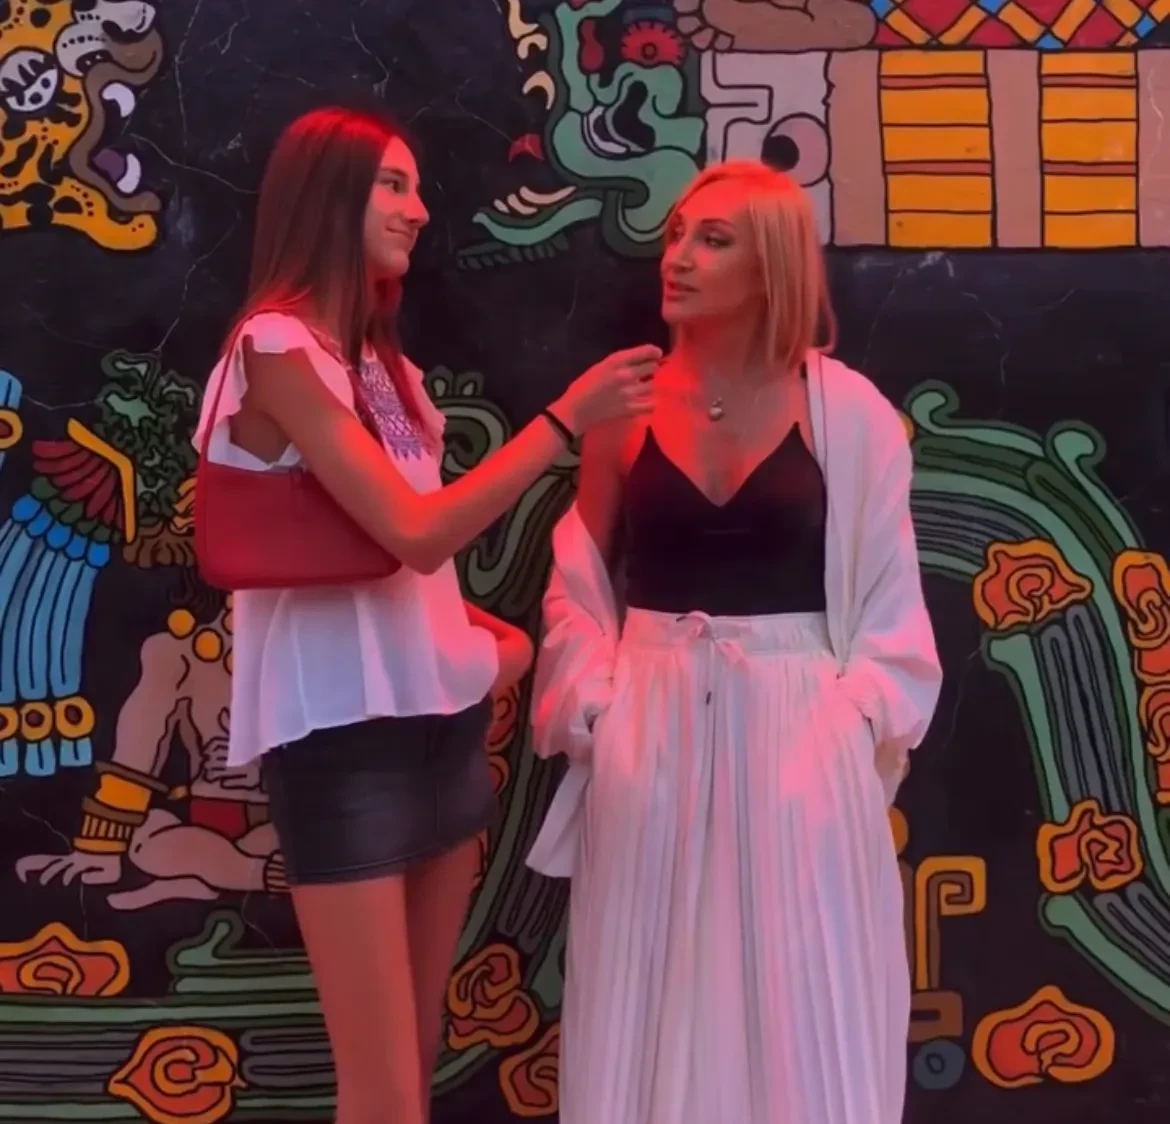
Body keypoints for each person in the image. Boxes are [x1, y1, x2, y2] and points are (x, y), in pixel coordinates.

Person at [191, 105, 660, 1124]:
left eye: (414, 186)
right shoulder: (276, 347)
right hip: (339, 738)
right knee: (382, 1087)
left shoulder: (381, 363)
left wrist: (490, 648)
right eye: (392, 185)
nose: (419, 208)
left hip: (440, 726)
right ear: (330, 197)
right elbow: (416, 532)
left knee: (416, 1054)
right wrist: (564, 421)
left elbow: (405, 570)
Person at [526, 161, 943, 1124]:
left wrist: (851, 721)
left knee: (801, 999)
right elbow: (578, 576)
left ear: (771, 269)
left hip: (802, 730)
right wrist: (598, 708)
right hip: (650, 723)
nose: (677, 256)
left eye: (713, 241)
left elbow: (892, 594)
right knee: (644, 989)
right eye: (676, 234)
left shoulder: (851, 414)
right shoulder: (622, 406)